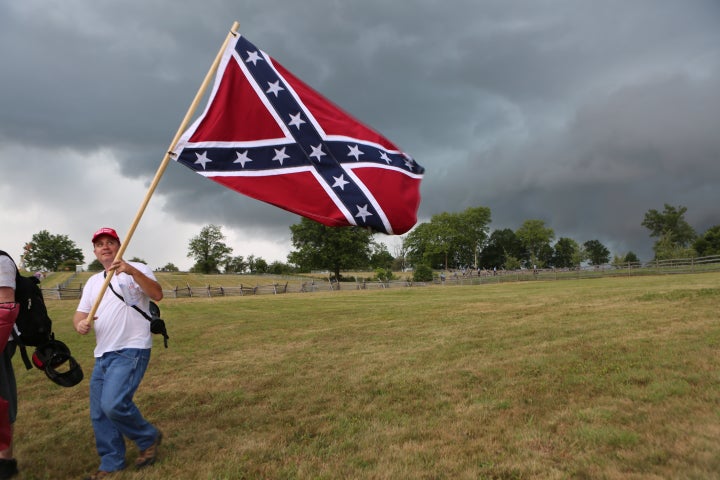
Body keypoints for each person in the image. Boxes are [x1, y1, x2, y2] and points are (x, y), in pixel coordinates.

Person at [73, 228, 164, 480]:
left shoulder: (137, 268)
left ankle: (147, 437)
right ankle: (112, 462)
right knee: (99, 412)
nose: (105, 247)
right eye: (100, 244)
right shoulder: (93, 282)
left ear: (119, 246)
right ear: (94, 251)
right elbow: (80, 314)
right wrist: (79, 324)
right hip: (102, 353)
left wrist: (131, 271)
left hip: (131, 347)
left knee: (113, 404)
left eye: (110, 242)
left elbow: (157, 294)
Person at [0, 252, 19, 479]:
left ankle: (5, 463)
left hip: (1, 340)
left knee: (2, 403)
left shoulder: (1, 261)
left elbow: (5, 306)